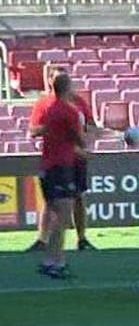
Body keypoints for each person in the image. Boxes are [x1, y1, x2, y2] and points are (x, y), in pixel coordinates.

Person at [26, 67, 97, 252]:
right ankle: (43, 241)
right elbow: (32, 130)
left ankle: (81, 239)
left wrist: (87, 140)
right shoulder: (44, 104)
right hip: (58, 159)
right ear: (51, 81)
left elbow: (90, 126)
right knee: (53, 202)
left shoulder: (79, 102)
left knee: (79, 196)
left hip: (75, 158)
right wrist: (53, 128)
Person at [37, 73, 87, 279]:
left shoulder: (49, 109)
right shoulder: (69, 111)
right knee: (63, 215)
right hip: (61, 167)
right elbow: (79, 140)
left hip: (48, 165)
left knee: (58, 213)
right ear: (68, 87)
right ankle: (55, 261)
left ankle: (52, 259)